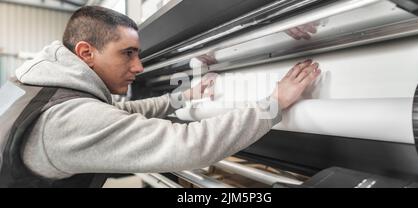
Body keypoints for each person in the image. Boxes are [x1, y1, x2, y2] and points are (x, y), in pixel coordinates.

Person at [2, 6, 320, 187]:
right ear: (87, 52)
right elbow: (188, 145)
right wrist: (274, 103)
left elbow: (120, 111)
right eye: (127, 54)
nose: (139, 67)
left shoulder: (30, 85)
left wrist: (182, 98)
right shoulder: (64, 123)